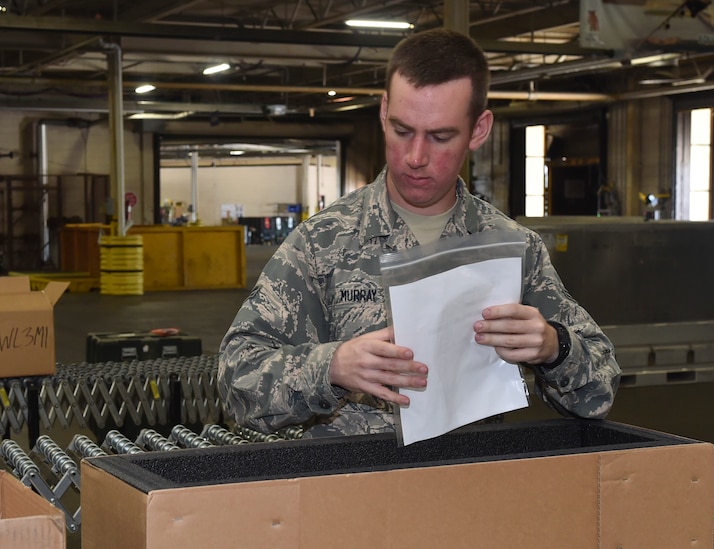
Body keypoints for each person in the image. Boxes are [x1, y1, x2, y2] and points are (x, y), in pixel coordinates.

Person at [218, 28, 621, 438]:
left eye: (440, 137)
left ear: (478, 131)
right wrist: (333, 366)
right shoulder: (321, 244)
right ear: (383, 112)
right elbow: (236, 381)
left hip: (469, 484)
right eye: (402, 130)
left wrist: (556, 348)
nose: (415, 157)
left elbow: (600, 394)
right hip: (348, 490)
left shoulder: (511, 249)